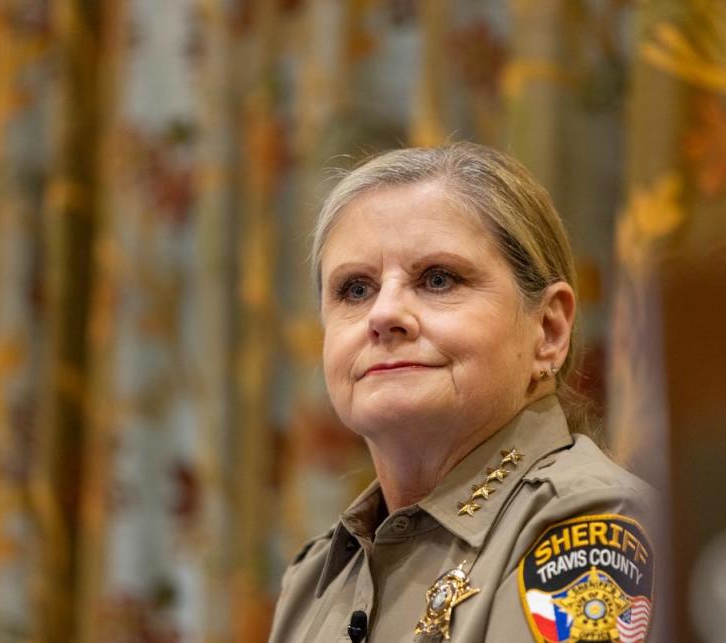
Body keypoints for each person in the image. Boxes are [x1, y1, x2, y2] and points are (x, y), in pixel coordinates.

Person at [269, 142, 656, 642]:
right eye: (356, 290)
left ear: (549, 329)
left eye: (437, 279)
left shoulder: (594, 531)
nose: (384, 315)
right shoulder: (313, 580)